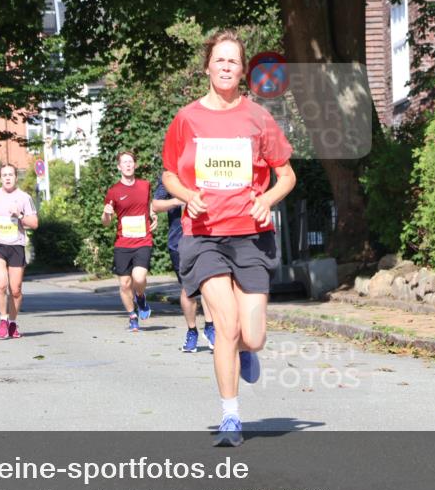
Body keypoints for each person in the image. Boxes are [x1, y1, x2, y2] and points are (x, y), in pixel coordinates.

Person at [161, 30, 296, 446]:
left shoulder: (258, 118)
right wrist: (187, 196)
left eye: (232, 61)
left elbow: (286, 175)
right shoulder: (187, 118)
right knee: (226, 324)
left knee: (252, 335)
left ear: (242, 72)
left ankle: (247, 351)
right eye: (218, 59)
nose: (225, 66)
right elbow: (169, 174)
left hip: (250, 236)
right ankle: (231, 416)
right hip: (203, 236)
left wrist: (267, 199)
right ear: (207, 67)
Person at [153, 176, 215, 352]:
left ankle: (210, 327)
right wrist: (177, 200)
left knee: (208, 282)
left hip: (207, 236)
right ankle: (192, 330)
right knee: (188, 289)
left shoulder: (206, 171)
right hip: (179, 241)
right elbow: (155, 205)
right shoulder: (170, 176)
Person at [102, 151, 156, 333]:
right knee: (125, 284)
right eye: (124, 162)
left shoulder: (145, 185)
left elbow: (149, 205)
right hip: (123, 243)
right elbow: (106, 222)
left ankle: (140, 296)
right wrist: (106, 214)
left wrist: (153, 214)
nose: (128, 165)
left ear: (135, 165)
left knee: (139, 278)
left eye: (130, 162)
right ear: (119, 167)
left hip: (143, 240)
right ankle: (132, 316)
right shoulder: (114, 191)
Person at [0, 164, 38, 339]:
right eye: (4, 175)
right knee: (1, 284)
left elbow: (34, 223)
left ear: (16, 177)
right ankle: (3, 320)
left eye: (11, 175)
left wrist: (19, 215)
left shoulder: (24, 198)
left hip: (16, 246)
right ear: (0, 178)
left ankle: (13, 322)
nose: (7, 178)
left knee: (16, 290)